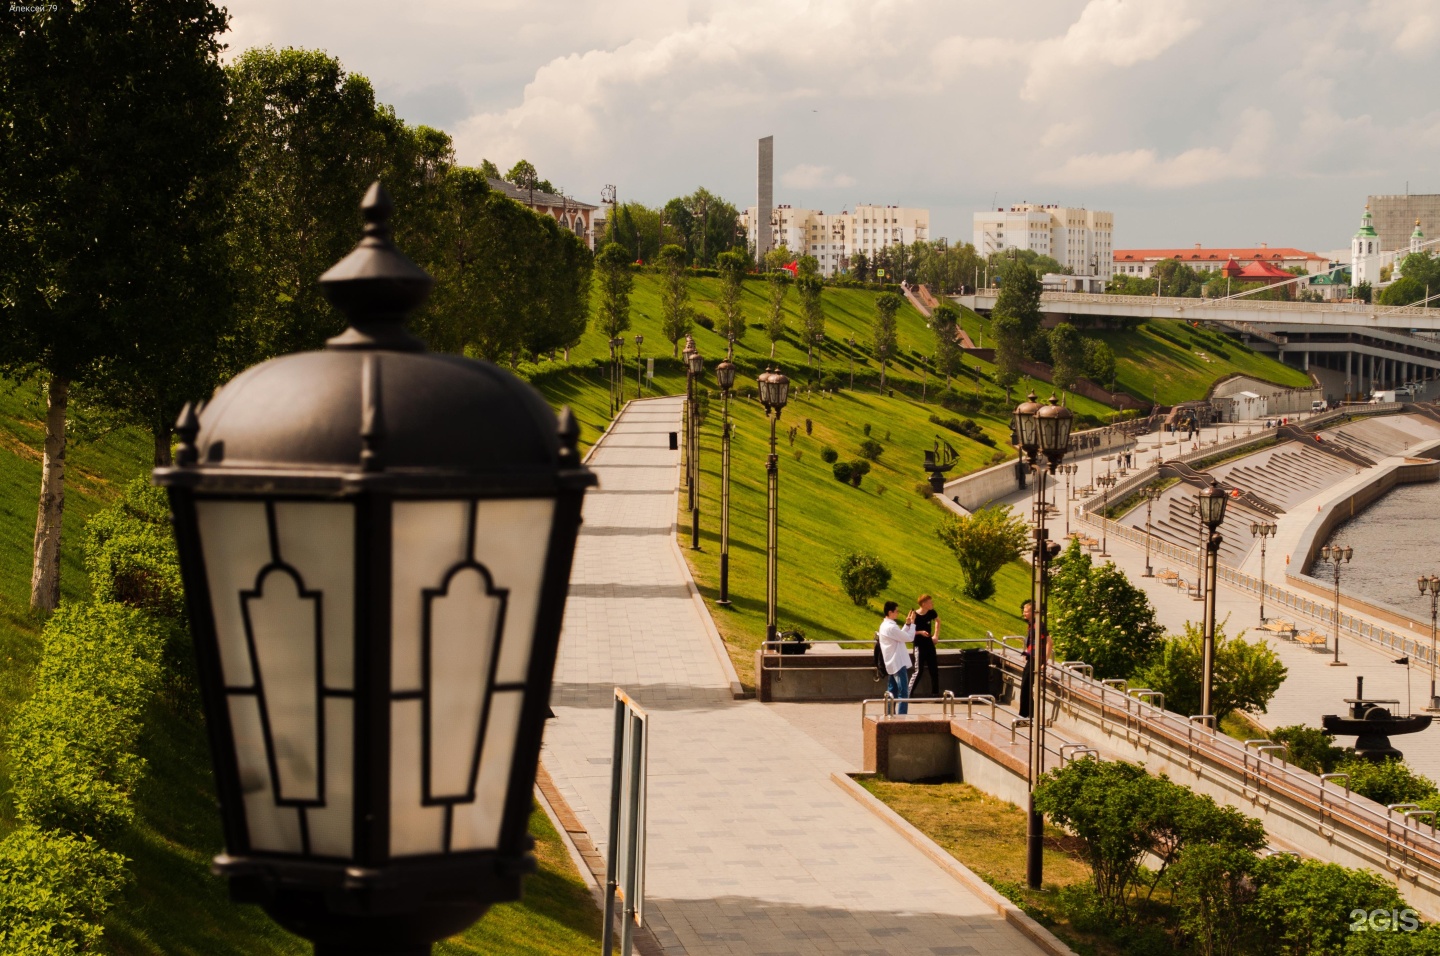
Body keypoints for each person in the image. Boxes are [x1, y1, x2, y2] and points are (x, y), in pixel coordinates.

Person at [876, 600, 916, 715]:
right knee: (903, 692)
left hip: (892, 663)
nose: (898, 613)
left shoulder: (886, 626)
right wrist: (912, 623)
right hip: (898, 663)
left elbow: (900, 636)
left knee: (892, 691)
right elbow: (908, 638)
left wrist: (907, 625)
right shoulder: (891, 627)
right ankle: (901, 717)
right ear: (890, 612)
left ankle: (889, 714)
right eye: (896, 611)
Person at [1017, 600, 1049, 719]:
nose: (1024, 614)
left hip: (1036, 660)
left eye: (1026, 612)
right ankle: (1027, 713)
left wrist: (1044, 662)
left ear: (1033, 612)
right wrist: (1026, 652)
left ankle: (1026, 714)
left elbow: (1049, 643)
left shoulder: (1039, 625)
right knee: (1026, 685)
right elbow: (1031, 642)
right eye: (1024, 611)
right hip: (1031, 658)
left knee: (1026, 685)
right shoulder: (1031, 625)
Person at [908, 594, 941, 697]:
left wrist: (935, 635)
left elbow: (938, 621)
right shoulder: (915, 615)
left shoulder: (931, 613)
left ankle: (935, 693)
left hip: (929, 644)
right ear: (923, 604)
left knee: (934, 669)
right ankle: (909, 693)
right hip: (919, 645)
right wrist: (920, 632)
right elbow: (909, 632)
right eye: (930, 602)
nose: (932, 604)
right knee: (918, 670)